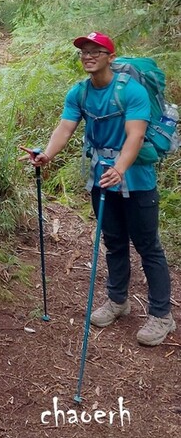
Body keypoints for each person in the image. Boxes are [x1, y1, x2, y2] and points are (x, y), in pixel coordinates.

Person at [25, 32, 175, 347]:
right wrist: (47, 155)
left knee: (148, 246)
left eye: (96, 51)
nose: (88, 56)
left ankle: (162, 315)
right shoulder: (79, 93)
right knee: (114, 241)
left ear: (110, 57)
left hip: (137, 180)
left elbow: (135, 135)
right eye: (84, 52)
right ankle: (118, 300)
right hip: (101, 179)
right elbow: (65, 127)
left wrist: (119, 169)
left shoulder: (131, 91)